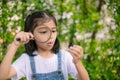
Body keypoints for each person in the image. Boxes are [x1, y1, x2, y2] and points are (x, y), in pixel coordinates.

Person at [0, 10, 89, 80]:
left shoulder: (64, 57)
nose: (51, 36)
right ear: (31, 35)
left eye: (53, 31)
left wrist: (77, 62)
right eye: (43, 32)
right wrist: (14, 45)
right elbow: (2, 76)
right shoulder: (26, 60)